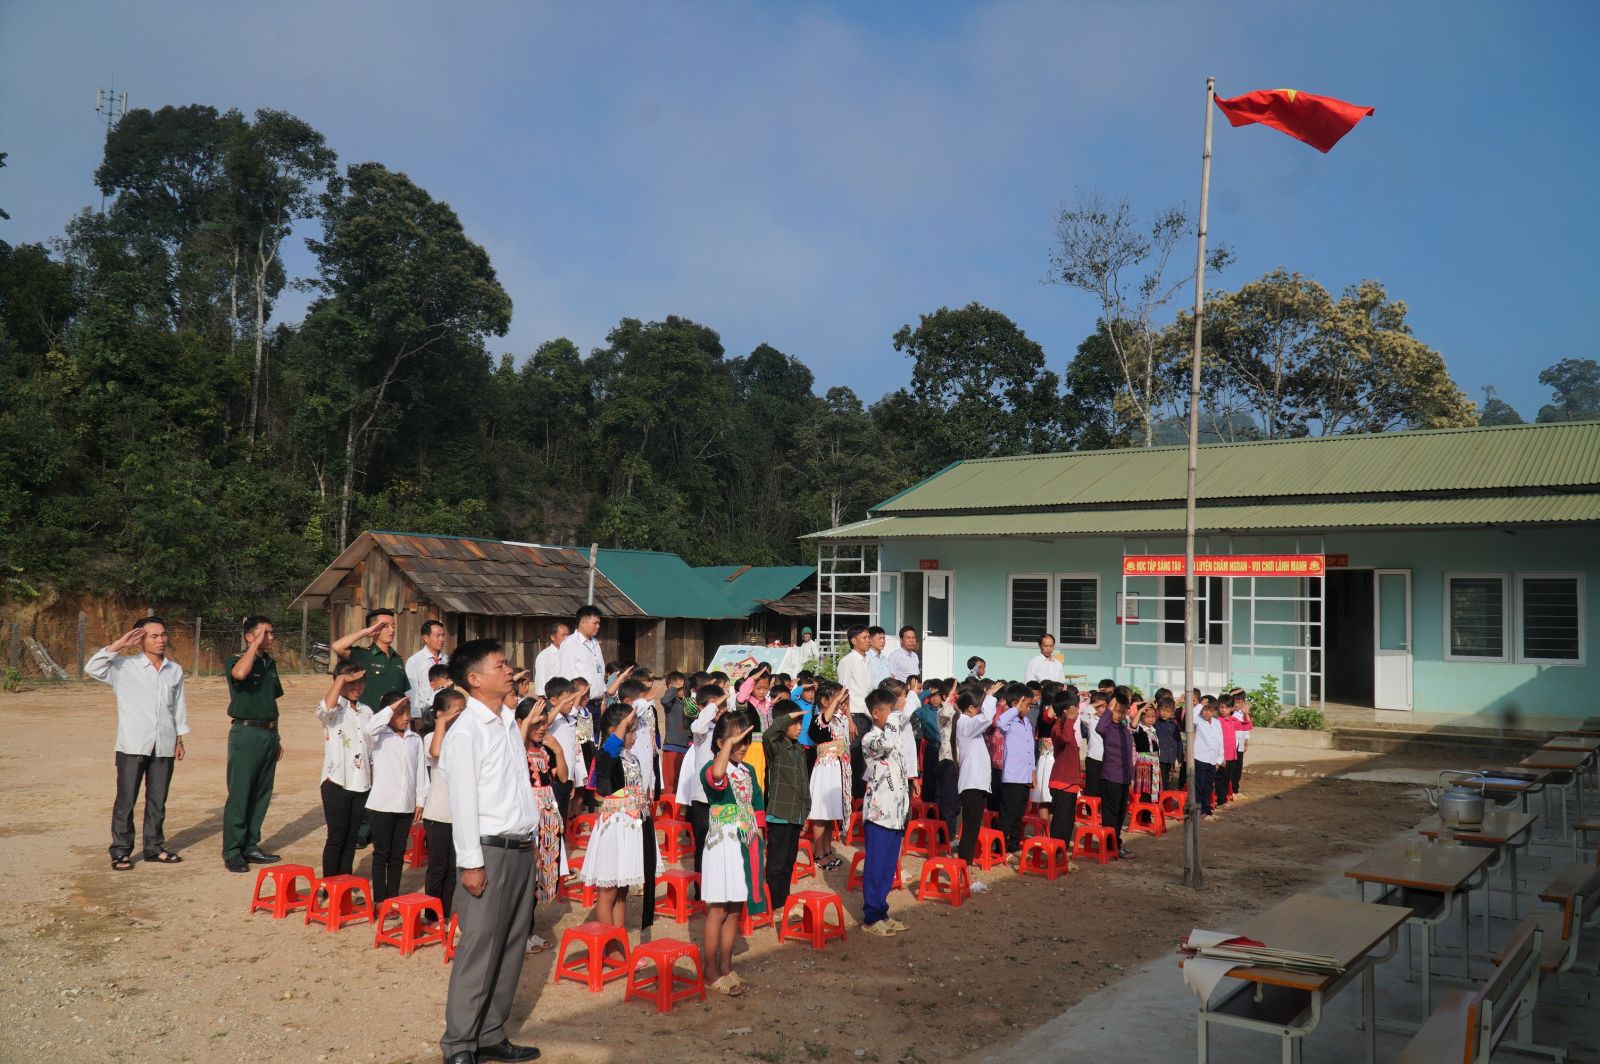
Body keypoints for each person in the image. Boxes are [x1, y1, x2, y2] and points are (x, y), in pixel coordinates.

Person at [439, 639, 540, 1064]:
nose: (509, 670)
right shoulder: (467, 730)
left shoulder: (505, 722)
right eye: (500, 666)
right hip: (489, 851)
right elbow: (462, 803)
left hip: (520, 847)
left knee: (512, 945)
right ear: (475, 679)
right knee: (480, 947)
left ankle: (491, 1032)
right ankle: (460, 1044)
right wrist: (471, 863)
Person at [85, 617, 189, 871]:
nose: (161, 640)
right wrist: (119, 644)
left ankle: (154, 848)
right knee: (126, 799)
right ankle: (121, 851)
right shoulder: (123, 667)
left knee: (157, 799)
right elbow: (92, 667)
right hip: (133, 744)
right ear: (140, 639)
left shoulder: (173, 670)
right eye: (154, 636)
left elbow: (177, 707)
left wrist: (179, 737)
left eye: (163, 634)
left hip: (163, 743)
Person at [582, 703, 658, 939]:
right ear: (615, 730)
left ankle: (620, 944)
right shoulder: (606, 756)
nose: (635, 736)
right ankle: (609, 946)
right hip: (614, 830)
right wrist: (622, 726)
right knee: (608, 892)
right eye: (630, 730)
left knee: (622, 891)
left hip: (632, 828)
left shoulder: (631, 757)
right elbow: (608, 752)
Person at [701, 713, 763, 996]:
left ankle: (726, 965)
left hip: (745, 842)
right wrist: (727, 747)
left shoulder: (748, 770)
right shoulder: (712, 768)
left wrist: (761, 840)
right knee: (718, 909)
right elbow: (717, 777)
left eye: (746, 740)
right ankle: (710, 970)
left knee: (736, 906)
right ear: (720, 743)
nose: (742, 746)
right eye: (736, 741)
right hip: (722, 844)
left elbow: (758, 804)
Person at [314, 662, 389, 877]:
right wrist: (341, 679)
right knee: (337, 836)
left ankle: (344, 885)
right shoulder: (334, 708)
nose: (356, 687)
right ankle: (329, 889)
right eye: (351, 682)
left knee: (351, 837)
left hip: (362, 783)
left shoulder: (367, 711)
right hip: (336, 782)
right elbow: (325, 708)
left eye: (360, 682)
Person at [222, 614, 283, 873]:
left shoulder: (269, 663)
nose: (270, 637)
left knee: (261, 793)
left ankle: (251, 845)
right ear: (250, 636)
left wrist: (277, 737)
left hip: (268, 732)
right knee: (241, 792)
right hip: (245, 733)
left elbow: (272, 702)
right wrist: (253, 647)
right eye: (265, 633)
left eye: (271, 633)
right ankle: (233, 850)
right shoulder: (237, 660)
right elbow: (240, 673)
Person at [517, 695, 570, 954]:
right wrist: (526, 724)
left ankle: (529, 931)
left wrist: (559, 751)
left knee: (540, 877)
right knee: (528, 877)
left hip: (548, 817)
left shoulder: (544, 750)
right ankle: (522, 935)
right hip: (530, 818)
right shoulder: (516, 750)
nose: (541, 728)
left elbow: (562, 776)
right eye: (535, 723)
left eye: (544, 723)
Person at [367, 690, 428, 905]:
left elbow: (420, 772)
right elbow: (369, 728)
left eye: (407, 712)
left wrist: (420, 800)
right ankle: (379, 899)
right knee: (381, 853)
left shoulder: (414, 740)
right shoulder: (379, 736)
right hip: (382, 804)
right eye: (399, 712)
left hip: (405, 805)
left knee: (397, 853)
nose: (404, 717)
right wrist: (391, 708)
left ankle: (392, 897)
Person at [859, 688, 910, 936]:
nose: (894, 715)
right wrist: (896, 713)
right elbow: (887, 742)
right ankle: (871, 916)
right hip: (879, 814)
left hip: (896, 813)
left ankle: (882, 910)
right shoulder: (870, 739)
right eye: (889, 711)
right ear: (876, 713)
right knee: (876, 865)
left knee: (889, 867)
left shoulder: (894, 737)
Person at [418, 687, 466, 921]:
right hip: (437, 813)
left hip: (458, 814)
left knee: (452, 869)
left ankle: (444, 914)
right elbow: (435, 751)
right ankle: (431, 914)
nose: (461, 716)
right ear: (440, 714)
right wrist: (442, 722)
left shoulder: (463, 737)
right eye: (456, 711)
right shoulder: (432, 736)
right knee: (437, 866)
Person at [676, 682, 728, 880]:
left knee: (722, 843)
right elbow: (698, 725)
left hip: (723, 794)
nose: (719, 709)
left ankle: (718, 883)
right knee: (704, 844)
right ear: (701, 707)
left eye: (722, 705)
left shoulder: (727, 727)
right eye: (714, 705)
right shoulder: (701, 729)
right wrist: (714, 706)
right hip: (702, 796)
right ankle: (701, 888)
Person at [761, 698, 809, 913]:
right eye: (795, 723)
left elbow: (803, 785)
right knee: (777, 863)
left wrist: (805, 813)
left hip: (795, 814)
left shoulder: (799, 749)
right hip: (779, 815)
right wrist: (787, 716)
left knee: (789, 861)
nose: (799, 728)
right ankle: (774, 905)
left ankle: (783, 900)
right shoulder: (777, 747)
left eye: (801, 723)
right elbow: (768, 733)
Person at [805, 682, 853, 872]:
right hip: (826, 768)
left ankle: (826, 850)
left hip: (838, 768)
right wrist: (836, 702)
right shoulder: (819, 719)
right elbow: (823, 721)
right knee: (820, 814)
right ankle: (819, 853)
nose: (841, 702)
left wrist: (847, 710)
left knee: (829, 814)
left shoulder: (839, 719)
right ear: (825, 701)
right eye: (837, 699)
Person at [952, 689, 995, 887]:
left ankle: (965, 873)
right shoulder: (966, 723)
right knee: (970, 830)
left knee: (971, 829)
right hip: (971, 785)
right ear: (971, 708)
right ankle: (964, 875)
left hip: (975, 784)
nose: (980, 711)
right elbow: (987, 718)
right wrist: (990, 696)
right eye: (978, 707)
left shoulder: (967, 724)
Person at [994, 683, 1036, 862]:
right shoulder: (1008, 719)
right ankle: (1000, 848)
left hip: (1025, 774)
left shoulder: (1026, 721)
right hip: (1012, 776)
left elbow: (1030, 746)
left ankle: (1014, 845)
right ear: (1016, 703)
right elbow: (1000, 723)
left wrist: (1033, 769)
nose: (1028, 708)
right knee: (1008, 814)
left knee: (1019, 813)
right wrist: (1015, 709)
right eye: (1026, 705)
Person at [332, 608, 409, 705]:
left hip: (395, 718)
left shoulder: (397, 659)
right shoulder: (363, 655)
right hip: (371, 716)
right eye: (385, 626)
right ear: (373, 628)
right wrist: (366, 632)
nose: (392, 630)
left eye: (393, 626)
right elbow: (337, 646)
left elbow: (404, 691)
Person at [1096, 691, 1136, 858]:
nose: (1119, 715)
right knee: (1110, 814)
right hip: (1110, 776)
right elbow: (1099, 727)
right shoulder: (1107, 728)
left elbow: (1128, 754)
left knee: (1120, 813)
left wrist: (1131, 776)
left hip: (1124, 777)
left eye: (1122, 712)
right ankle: (1109, 846)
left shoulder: (1124, 731)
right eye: (1116, 711)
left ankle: (1116, 844)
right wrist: (1109, 708)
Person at [1047, 693, 1082, 857]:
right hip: (1062, 782)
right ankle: (1055, 854)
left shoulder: (1069, 726)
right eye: (1075, 708)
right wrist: (1069, 720)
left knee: (1068, 822)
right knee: (1060, 822)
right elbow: (1066, 738)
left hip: (1070, 782)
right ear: (1066, 710)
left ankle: (1061, 854)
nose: (1078, 711)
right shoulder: (1057, 727)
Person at [557, 606, 606, 707]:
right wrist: (572, 704)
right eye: (595, 623)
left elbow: (600, 672)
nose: (597, 626)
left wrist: (603, 699)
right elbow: (567, 676)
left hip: (598, 702)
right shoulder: (570, 644)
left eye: (599, 623)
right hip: (580, 703)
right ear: (583, 623)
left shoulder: (595, 643)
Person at [406, 620, 450, 720]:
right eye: (437, 636)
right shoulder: (415, 661)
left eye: (443, 635)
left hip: (445, 711)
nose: (441, 639)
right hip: (425, 712)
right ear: (426, 638)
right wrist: (415, 716)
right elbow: (412, 691)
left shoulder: (447, 660)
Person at [1192, 700, 1225, 821]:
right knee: (1199, 785)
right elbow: (1191, 717)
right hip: (1200, 757)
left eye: (1210, 710)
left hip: (1212, 759)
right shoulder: (1198, 721)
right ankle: (1199, 810)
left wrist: (1220, 758)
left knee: (1208, 786)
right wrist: (1200, 704)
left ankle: (1207, 810)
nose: (1206, 713)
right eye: (1205, 710)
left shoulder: (1217, 723)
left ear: (1215, 712)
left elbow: (1220, 740)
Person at [659, 671, 690, 794]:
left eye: (684, 687)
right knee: (670, 781)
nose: (683, 690)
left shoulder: (688, 703)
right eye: (681, 688)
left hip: (686, 745)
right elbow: (665, 700)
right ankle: (668, 810)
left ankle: (679, 811)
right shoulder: (670, 704)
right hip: (673, 746)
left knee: (682, 781)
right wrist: (673, 689)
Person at [836, 625, 874, 716]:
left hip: (868, 713)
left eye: (869, 637)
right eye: (864, 638)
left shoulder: (868, 660)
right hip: (854, 713)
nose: (868, 640)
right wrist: (849, 719)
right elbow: (844, 693)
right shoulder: (847, 661)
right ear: (854, 641)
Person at [1131, 702, 1162, 803]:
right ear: (1141, 717)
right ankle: (1144, 815)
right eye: (1147, 716)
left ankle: (1148, 814)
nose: (1151, 719)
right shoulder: (1139, 729)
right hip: (1144, 764)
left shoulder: (1153, 730)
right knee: (1145, 790)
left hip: (1154, 763)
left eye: (1153, 716)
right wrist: (1140, 711)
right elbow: (1133, 725)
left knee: (1153, 790)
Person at [532, 622, 569, 698]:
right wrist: (541, 698)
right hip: (552, 698)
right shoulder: (545, 656)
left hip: (568, 697)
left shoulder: (570, 653)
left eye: (567, 635)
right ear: (553, 637)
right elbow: (541, 679)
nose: (566, 638)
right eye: (563, 635)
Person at [1155, 698, 1183, 793]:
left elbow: (1178, 741)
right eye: (1163, 710)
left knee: (1168, 780)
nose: (1165, 713)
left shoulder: (1174, 726)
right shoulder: (1155, 723)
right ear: (1158, 710)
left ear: (1172, 713)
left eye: (1168, 711)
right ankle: (1160, 800)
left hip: (1170, 758)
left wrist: (1180, 757)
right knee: (1160, 780)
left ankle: (1165, 801)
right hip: (1159, 758)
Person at [1080, 691, 1106, 796]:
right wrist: (1093, 705)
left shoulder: (1110, 720)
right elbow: (1082, 715)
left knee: (1103, 787)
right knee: (1091, 787)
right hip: (1093, 758)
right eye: (1098, 706)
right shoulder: (1091, 719)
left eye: (1103, 706)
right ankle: (1091, 810)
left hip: (1107, 758)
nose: (1101, 709)